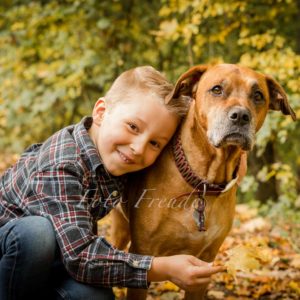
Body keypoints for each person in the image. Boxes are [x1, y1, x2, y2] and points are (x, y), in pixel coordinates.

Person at [0, 66, 224, 300]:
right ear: (100, 112)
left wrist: (231, 155)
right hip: (11, 252)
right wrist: (162, 268)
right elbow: (81, 256)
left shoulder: (119, 158)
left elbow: (195, 132)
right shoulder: (61, 164)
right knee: (37, 234)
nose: (139, 149)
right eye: (133, 127)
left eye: (155, 144)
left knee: (96, 297)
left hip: (56, 258)